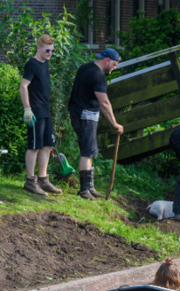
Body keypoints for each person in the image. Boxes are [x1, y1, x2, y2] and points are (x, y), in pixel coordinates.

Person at [68, 48, 123, 200]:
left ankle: (90, 187)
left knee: (91, 150)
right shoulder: (98, 76)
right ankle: (84, 190)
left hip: (79, 113)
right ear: (107, 61)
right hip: (85, 115)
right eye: (115, 64)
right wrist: (115, 123)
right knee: (88, 151)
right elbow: (104, 102)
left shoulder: (85, 67)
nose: (115, 67)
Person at [19, 34, 61, 196]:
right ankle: (30, 181)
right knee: (34, 146)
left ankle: (43, 180)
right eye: (48, 50)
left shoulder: (45, 63)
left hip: (46, 111)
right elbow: (23, 86)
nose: (50, 53)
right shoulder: (32, 64)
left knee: (47, 145)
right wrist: (27, 109)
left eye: (52, 50)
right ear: (39, 48)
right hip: (35, 112)